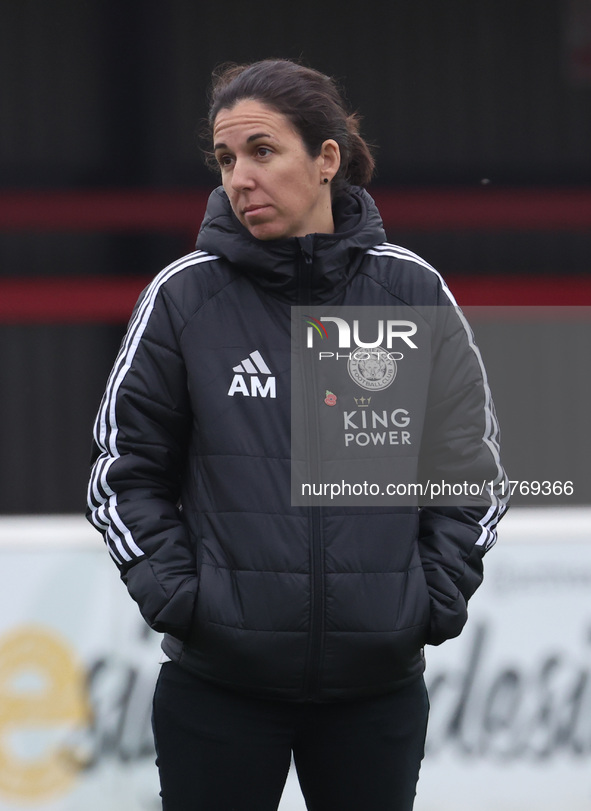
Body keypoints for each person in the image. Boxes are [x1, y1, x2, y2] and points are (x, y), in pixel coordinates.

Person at [87, 59, 508, 810]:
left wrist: (427, 600)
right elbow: (123, 470)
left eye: (261, 151)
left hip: (374, 691)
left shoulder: (408, 290)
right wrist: (188, 601)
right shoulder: (184, 296)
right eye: (225, 160)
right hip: (219, 686)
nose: (239, 178)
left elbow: (469, 471)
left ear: (325, 159)